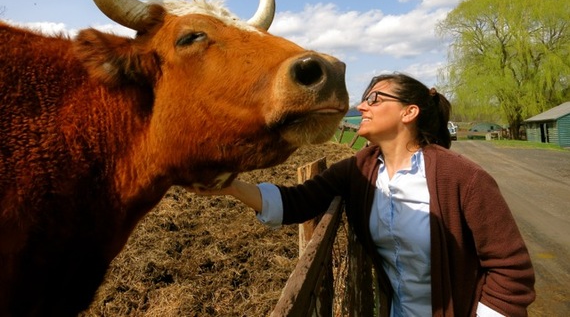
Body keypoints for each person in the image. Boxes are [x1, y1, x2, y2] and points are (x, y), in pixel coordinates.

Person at [190, 72, 535, 316]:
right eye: (364, 98)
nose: (362, 106)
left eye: (374, 98)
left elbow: (511, 271)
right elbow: (296, 202)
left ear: (408, 112)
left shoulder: (463, 178)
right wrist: (230, 186)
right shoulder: (360, 169)